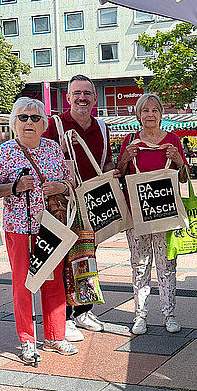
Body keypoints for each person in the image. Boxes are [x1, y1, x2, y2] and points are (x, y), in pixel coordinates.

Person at [0, 98, 77, 365]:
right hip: (19, 228)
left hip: (51, 225)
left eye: (36, 118)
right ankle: (27, 340)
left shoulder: (52, 148)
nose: (29, 122)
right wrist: (15, 187)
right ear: (14, 122)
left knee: (53, 280)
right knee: (23, 284)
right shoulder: (4, 152)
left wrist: (61, 186)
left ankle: (55, 335)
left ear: (44, 124)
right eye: (24, 117)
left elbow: (70, 180)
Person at [45, 74, 114, 342]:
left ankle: (83, 309)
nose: (82, 98)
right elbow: (41, 159)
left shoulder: (103, 128)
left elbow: (105, 162)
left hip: (92, 201)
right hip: (62, 205)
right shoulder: (55, 125)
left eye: (87, 93)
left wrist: (113, 172)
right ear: (68, 97)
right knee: (63, 259)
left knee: (87, 256)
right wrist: (58, 151)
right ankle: (65, 316)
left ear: (95, 99)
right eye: (77, 93)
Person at [117, 93, 188, 335]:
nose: (150, 114)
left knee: (167, 264)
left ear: (161, 114)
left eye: (154, 110)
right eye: (145, 110)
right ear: (138, 115)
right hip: (137, 214)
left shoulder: (173, 141)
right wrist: (125, 159)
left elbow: (185, 178)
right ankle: (140, 314)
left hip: (165, 212)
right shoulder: (130, 141)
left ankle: (169, 314)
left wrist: (179, 161)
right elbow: (119, 175)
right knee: (139, 265)